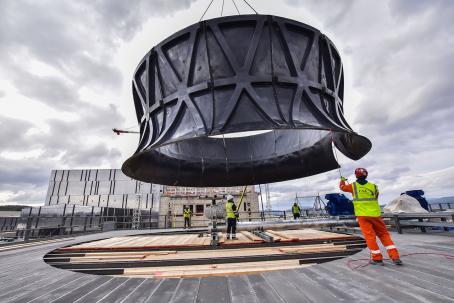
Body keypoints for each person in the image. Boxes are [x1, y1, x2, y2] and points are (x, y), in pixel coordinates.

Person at [340, 168, 403, 266]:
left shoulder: (353, 186)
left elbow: (342, 187)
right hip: (375, 215)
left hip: (363, 215)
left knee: (370, 237)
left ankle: (377, 259)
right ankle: (395, 257)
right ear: (366, 175)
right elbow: (375, 197)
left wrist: (342, 180)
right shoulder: (374, 187)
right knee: (384, 235)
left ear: (356, 175)